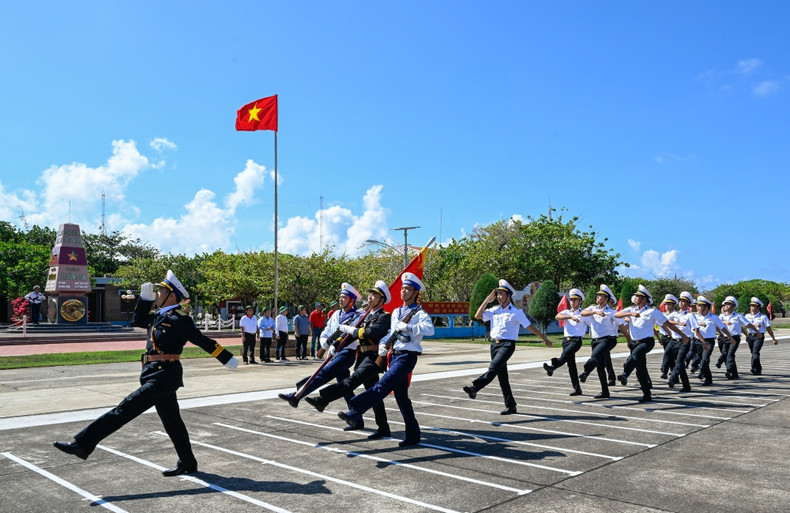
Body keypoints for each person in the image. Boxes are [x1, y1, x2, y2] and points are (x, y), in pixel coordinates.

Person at [53, 270, 239, 476]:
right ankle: (188, 462)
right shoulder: (158, 317)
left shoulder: (180, 320)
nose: (157, 295)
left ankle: (83, 443)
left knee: (125, 408)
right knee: (172, 422)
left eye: (160, 292)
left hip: (164, 377)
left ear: (172, 296)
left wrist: (226, 357)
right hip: (153, 374)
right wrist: (144, 300)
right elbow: (138, 322)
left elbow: (203, 340)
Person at [338, 272, 434, 447]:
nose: (404, 291)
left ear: (415, 293)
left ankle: (355, 410)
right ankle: (413, 435)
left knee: (382, 385)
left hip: (407, 357)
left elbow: (430, 330)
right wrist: (383, 344)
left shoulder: (418, 313)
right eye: (403, 288)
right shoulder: (397, 311)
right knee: (402, 398)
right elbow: (391, 332)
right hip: (394, 356)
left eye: (408, 289)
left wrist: (410, 327)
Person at [305, 280, 392, 439]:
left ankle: (325, 399)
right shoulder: (366, 316)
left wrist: (353, 330)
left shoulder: (385, 317)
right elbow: (350, 336)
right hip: (363, 357)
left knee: (351, 381)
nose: (370, 297)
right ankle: (383, 427)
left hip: (374, 358)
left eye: (375, 295)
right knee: (373, 393)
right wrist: (335, 344)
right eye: (370, 294)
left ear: (382, 300)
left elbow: (371, 333)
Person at [463, 279, 553, 415]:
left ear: (508, 296)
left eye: (501, 294)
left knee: (493, 368)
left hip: (507, 345)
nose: (499, 297)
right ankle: (511, 406)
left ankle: (475, 387)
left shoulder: (516, 312)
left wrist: (544, 338)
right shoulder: (494, 310)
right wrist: (487, 301)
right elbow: (478, 316)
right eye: (498, 294)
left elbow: (530, 327)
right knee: (502, 378)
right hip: (494, 345)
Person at [278, 283, 364, 410]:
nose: (340, 299)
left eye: (344, 297)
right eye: (340, 297)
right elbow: (327, 330)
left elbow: (352, 335)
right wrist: (324, 340)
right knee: (345, 387)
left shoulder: (359, 316)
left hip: (346, 353)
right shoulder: (336, 314)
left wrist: (337, 345)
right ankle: (356, 415)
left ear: (351, 300)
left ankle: (297, 395)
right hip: (334, 353)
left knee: (324, 373)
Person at [615, 284, 688, 402]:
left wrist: (683, 335)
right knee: (640, 370)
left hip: (646, 342)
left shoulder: (652, 311)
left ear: (645, 299)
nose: (635, 298)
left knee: (634, 356)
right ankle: (646, 394)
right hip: (634, 342)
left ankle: (625, 374)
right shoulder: (631, 310)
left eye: (638, 296)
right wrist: (630, 314)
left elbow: (667, 323)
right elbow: (616, 314)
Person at [579, 284, 629, 399]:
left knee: (595, 357)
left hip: (608, 340)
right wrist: (595, 312)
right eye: (598, 295)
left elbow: (621, 325)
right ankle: (605, 392)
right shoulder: (592, 309)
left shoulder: (611, 312)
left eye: (601, 296)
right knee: (600, 366)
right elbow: (582, 313)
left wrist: (629, 340)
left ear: (606, 300)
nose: (598, 297)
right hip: (595, 340)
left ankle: (585, 372)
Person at [545, 288, 590, 396]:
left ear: (580, 301)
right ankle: (577, 389)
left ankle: (553, 366)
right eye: (571, 299)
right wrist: (571, 317)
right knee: (571, 365)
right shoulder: (567, 312)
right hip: (566, 341)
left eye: (575, 299)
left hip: (576, 340)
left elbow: (591, 323)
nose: (572, 301)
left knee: (565, 355)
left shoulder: (583, 313)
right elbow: (557, 316)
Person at [691, 296, 735, 386]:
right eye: (697, 305)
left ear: (706, 307)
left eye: (699, 306)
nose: (697, 307)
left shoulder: (714, 318)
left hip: (708, 342)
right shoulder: (695, 317)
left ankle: (708, 379)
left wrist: (730, 338)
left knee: (705, 360)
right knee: (697, 359)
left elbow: (723, 328)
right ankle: (698, 368)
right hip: (697, 341)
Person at [716, 296, 758, 380]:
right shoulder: (721, 316)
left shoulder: (738, 316)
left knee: (730, 355)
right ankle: (734, 373)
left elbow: (747, 324)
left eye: (729, 304)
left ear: (733, 306)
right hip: (725, 338)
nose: (726, 305)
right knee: (726, 354)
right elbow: (716, 324)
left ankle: (729, 371)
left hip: (735, 338)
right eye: (726, 304)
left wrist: (757, 332)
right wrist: (724, 322)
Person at [667, 291, 699, 392]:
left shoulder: (690, 316)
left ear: (688, 304)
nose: (681, 303)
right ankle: (686, 385)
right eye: (680, 301)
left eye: (684, 301)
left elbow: (695, 328)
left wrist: (700, 340)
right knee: (668, 355)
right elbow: (666, 321)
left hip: (684, 341)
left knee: (680, 361)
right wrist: (678, 322)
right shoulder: (674, 314)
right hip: (674, 340)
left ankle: (673, 379)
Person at [744, 297, 779, 375]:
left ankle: (753, 368)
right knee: (753, 353)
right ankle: (758, 369)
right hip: (750, 336)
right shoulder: (747, 316)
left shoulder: (763, 317)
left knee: (755, 352)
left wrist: (773, 338)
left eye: (754, 306)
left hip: (759, 336)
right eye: (751, 306)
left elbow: (768, 328)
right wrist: (753, 325)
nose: (752, 307)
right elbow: (744, 326)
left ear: (758, 307)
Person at [657, 295, 680, 379]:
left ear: (673, 305)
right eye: (666, 304)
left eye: (669, 304)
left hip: (672, 337)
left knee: (669, 354)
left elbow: (676, 324)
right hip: (664, 337)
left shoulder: (676, 314)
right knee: (669, 355)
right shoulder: (663, 314)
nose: (667, 306)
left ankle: (665, 370)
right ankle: (673, 374)